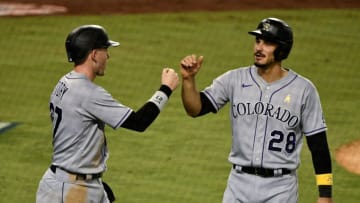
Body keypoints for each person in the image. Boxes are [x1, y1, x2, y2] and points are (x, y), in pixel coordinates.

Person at [180, 18, 332, 203]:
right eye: (257, 41)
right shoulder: (234, 79)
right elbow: (195, 109)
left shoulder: (304, 90)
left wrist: (325, 194)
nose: (259, 48)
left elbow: (318, 145)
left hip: (280, 189)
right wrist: (188, 80)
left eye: (267, 43)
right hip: (238, 184)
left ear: (282, 49)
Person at [36, 25, 179, 203]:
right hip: (71, 190)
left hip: (73, 182)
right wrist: (165, 89)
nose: (108, 56)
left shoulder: (64, 82)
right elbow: (139, 122)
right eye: (105, 50)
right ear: (94, 54)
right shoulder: (88, 92)